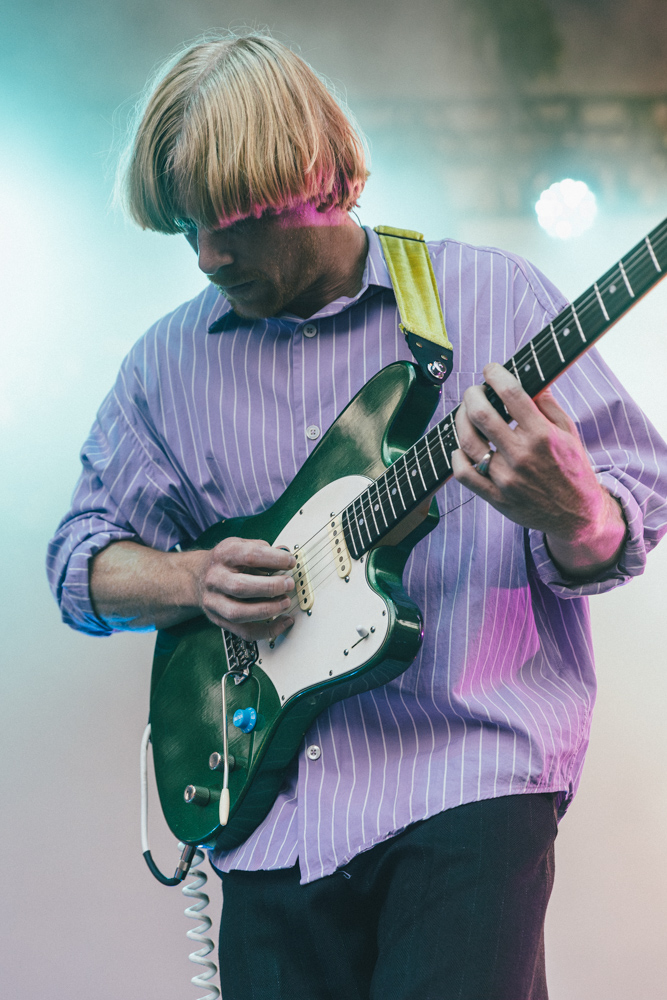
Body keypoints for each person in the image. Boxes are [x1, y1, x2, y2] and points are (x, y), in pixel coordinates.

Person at [47, 32, 667, 1000]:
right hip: (268, 810)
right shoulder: (163, 366)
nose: (209, 255)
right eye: (186, 228)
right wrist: (186, 578)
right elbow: (77, 565)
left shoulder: (487, 296)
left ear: (320, 179)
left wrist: (575, 509)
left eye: (236, 221)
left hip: (469, 775)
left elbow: (633, 506)